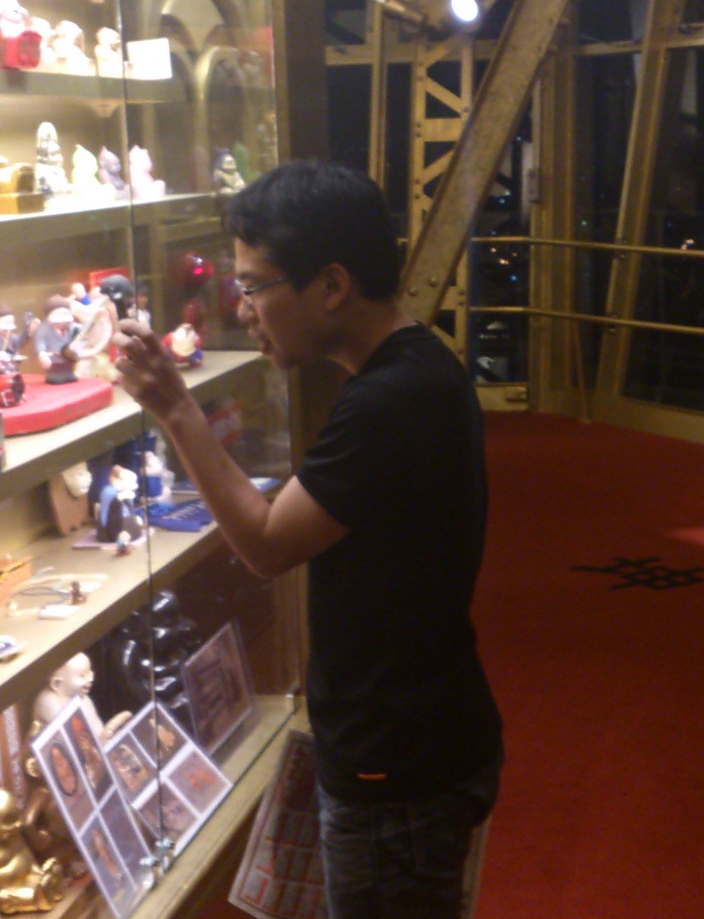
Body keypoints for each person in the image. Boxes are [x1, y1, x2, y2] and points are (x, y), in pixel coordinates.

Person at [113, 161, 502, 918]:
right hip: (418, 735)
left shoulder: (390, 400)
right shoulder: (414, 368)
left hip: (396, 764)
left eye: (254, 287)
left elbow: (266, 544)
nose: (243, 310)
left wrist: (176, 409)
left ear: (331, 286)